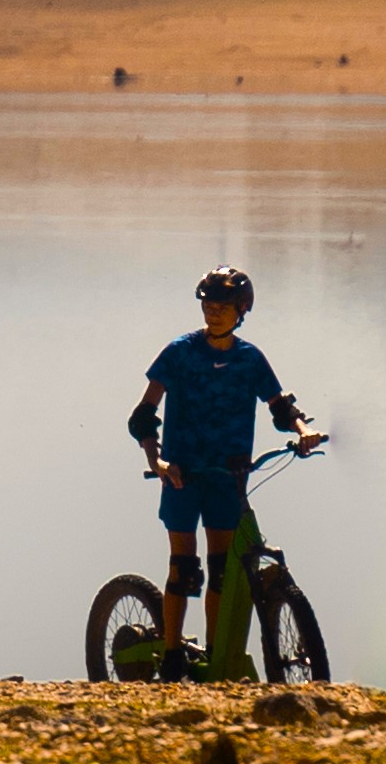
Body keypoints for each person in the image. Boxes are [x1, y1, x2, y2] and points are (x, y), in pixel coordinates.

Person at [127, 265, 321, 660]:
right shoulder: (180, 352)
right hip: (182, 474)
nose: (213, 313)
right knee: (184, 569)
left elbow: (279, 406)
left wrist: (302, 432)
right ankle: (171, 656)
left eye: (222, 306)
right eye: (208, 305)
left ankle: (217, 656)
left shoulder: (249, 359)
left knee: (220, 570)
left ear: (242, 309)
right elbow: (143, 416)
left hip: (228, 476)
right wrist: (159, 461)